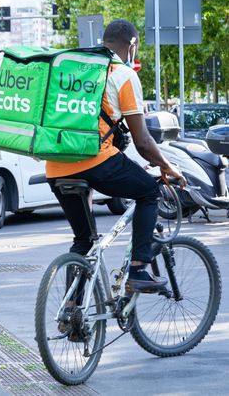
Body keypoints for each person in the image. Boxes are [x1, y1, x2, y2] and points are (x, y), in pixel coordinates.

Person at [45, 19, 185, 293]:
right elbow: (143, 141)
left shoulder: (75, 70)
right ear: (131, 44)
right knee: (147, 192)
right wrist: (167, 167)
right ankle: (138, 270)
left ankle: (72, 309)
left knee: (83, 240)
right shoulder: (122, 74)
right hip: (96, 160)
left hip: (56, 166)